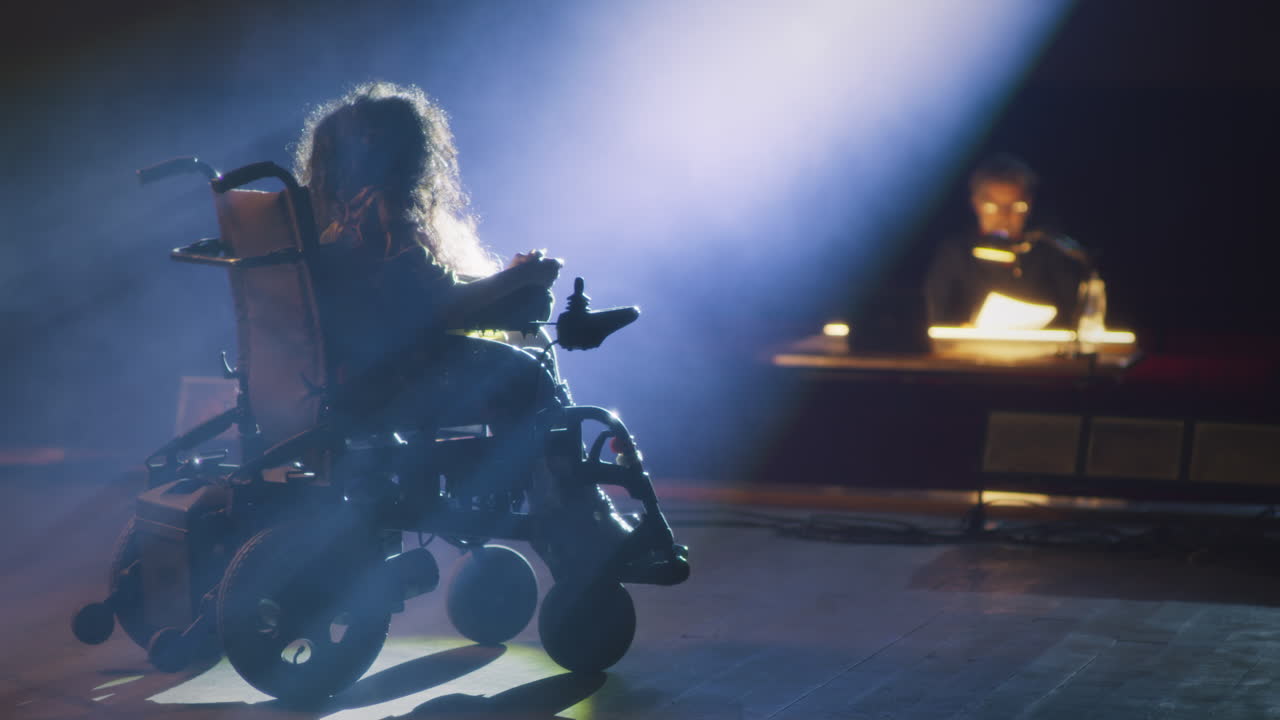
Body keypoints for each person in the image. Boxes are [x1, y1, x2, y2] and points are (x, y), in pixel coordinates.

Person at [294, 81, 631, 565]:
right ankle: (574, 514)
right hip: (396, 380)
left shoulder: (326, 212)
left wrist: (509, 280)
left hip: (339, 377)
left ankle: (554, 502)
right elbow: (443, 307)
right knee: (531, 376)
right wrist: (527, 277)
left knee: (520, 363)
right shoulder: (385, 207)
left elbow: (418, 289)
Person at [924, 154, 1095, 330]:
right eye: (993, 207)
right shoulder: (955, 254)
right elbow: (939, 320)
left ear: (1029, 204)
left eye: (1016, 207)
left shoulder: (1048, 249)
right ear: (976, 204)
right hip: (969, 353)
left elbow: (1070, 318)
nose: (1004, 217)